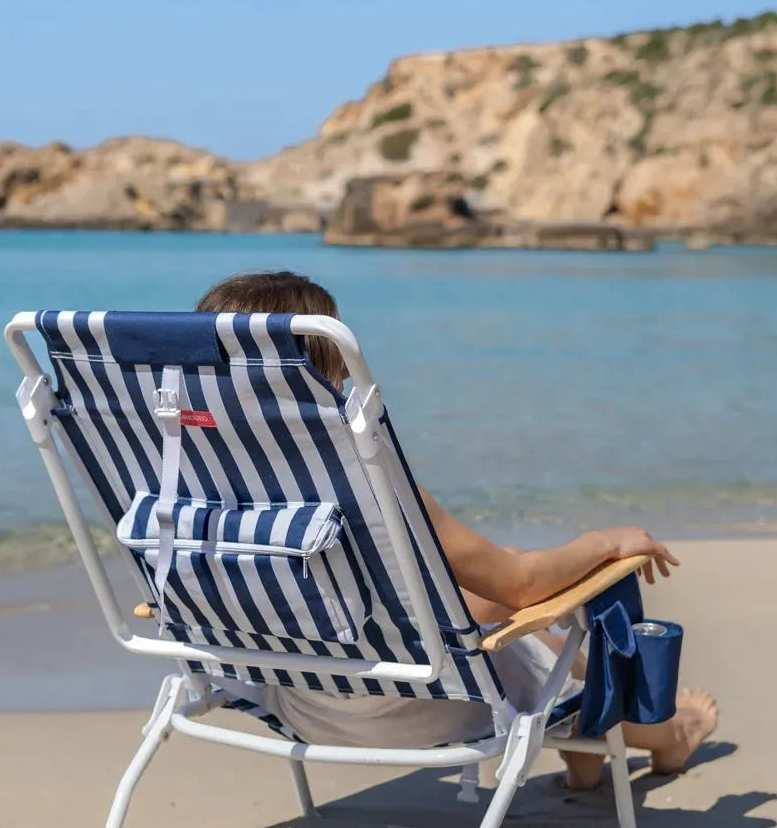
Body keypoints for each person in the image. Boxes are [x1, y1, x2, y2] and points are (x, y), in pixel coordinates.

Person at [195, 271, 719, 787]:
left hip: (295, 701)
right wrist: (604, 543)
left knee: (478, 602)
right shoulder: (362, 481)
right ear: (327, 373)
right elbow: (520, 584)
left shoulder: (183, 481)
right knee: (517, 594)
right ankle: (644, 731)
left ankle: (587, 728)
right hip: (417, 712)